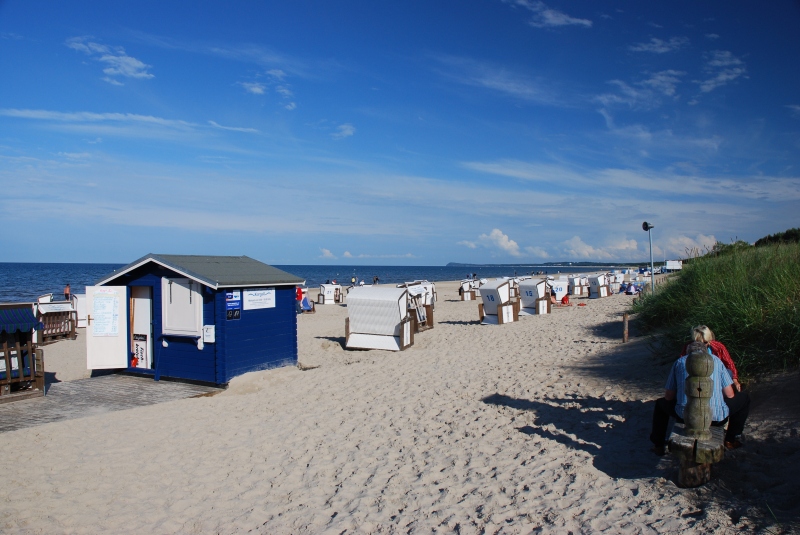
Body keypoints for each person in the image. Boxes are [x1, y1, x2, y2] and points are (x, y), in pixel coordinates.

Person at [650, 341, 750, 455]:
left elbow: (668, 396)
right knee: (744, 399)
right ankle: (731, 439)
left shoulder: (680, 362)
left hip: (685, 416)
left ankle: (658, 444)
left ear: (688, 352)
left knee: (660, 404)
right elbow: (730, 394)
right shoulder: (716, 361)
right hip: (716, 417)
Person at [682, 325, 741, 392]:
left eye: (705, 342)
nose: (702, 345)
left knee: (728, 372)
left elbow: (729, 363)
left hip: (714, 375)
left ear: (709, 340)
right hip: (695, 377)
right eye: (699, 343)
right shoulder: (688, 348)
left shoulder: (718, 347)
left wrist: (735, 381)